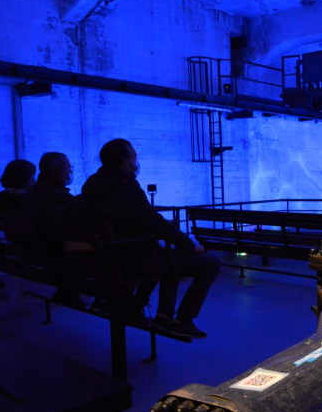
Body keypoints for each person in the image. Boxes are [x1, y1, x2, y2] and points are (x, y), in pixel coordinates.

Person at [80, 139, 219, 339]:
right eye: (134, 157)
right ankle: (180, 319)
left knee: (169, 258)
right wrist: (189, 245)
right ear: (125, 164)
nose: (136, 162)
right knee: (211, 263)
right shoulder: (126, 188)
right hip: (132, 260)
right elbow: (154, 222)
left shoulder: (92, 186)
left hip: (107, 258)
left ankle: (141, 310)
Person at [22, 152, 84, 308]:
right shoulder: (60, 198)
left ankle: (66, 294)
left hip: (31, 251)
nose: (69, 172)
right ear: (58, 171)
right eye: (68, 168)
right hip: (53, 254)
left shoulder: (32, 193)